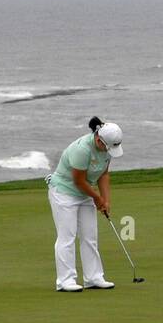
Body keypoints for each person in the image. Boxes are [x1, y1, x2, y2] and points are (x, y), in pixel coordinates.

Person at [46, 116, 123, 291]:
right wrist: (97, 198)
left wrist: (106, 200)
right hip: (64, 193)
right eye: (107, 146)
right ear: (98, 139)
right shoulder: (82, 149)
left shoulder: (106, 149)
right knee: (67, 236)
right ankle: (65, 281)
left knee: (90, 236)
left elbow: (104, 174)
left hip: (85, 193)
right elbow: (78, 181)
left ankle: (94, 277)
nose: (109, 151)